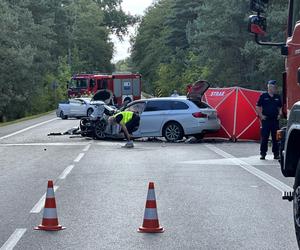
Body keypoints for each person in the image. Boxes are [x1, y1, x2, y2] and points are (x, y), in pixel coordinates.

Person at [256, 80, 282, 160]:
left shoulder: (277, 97)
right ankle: (263, 154)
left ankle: (276, 154)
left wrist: (280, 114)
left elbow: (280, 107)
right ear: (269, 87)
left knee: (276, 138)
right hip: (266, 120)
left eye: (274, 87)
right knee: (265, 137)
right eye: (273, 87)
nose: (274, 88)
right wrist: (261, 115)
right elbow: (257, 106)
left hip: (275, 120)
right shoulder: (263, 96)